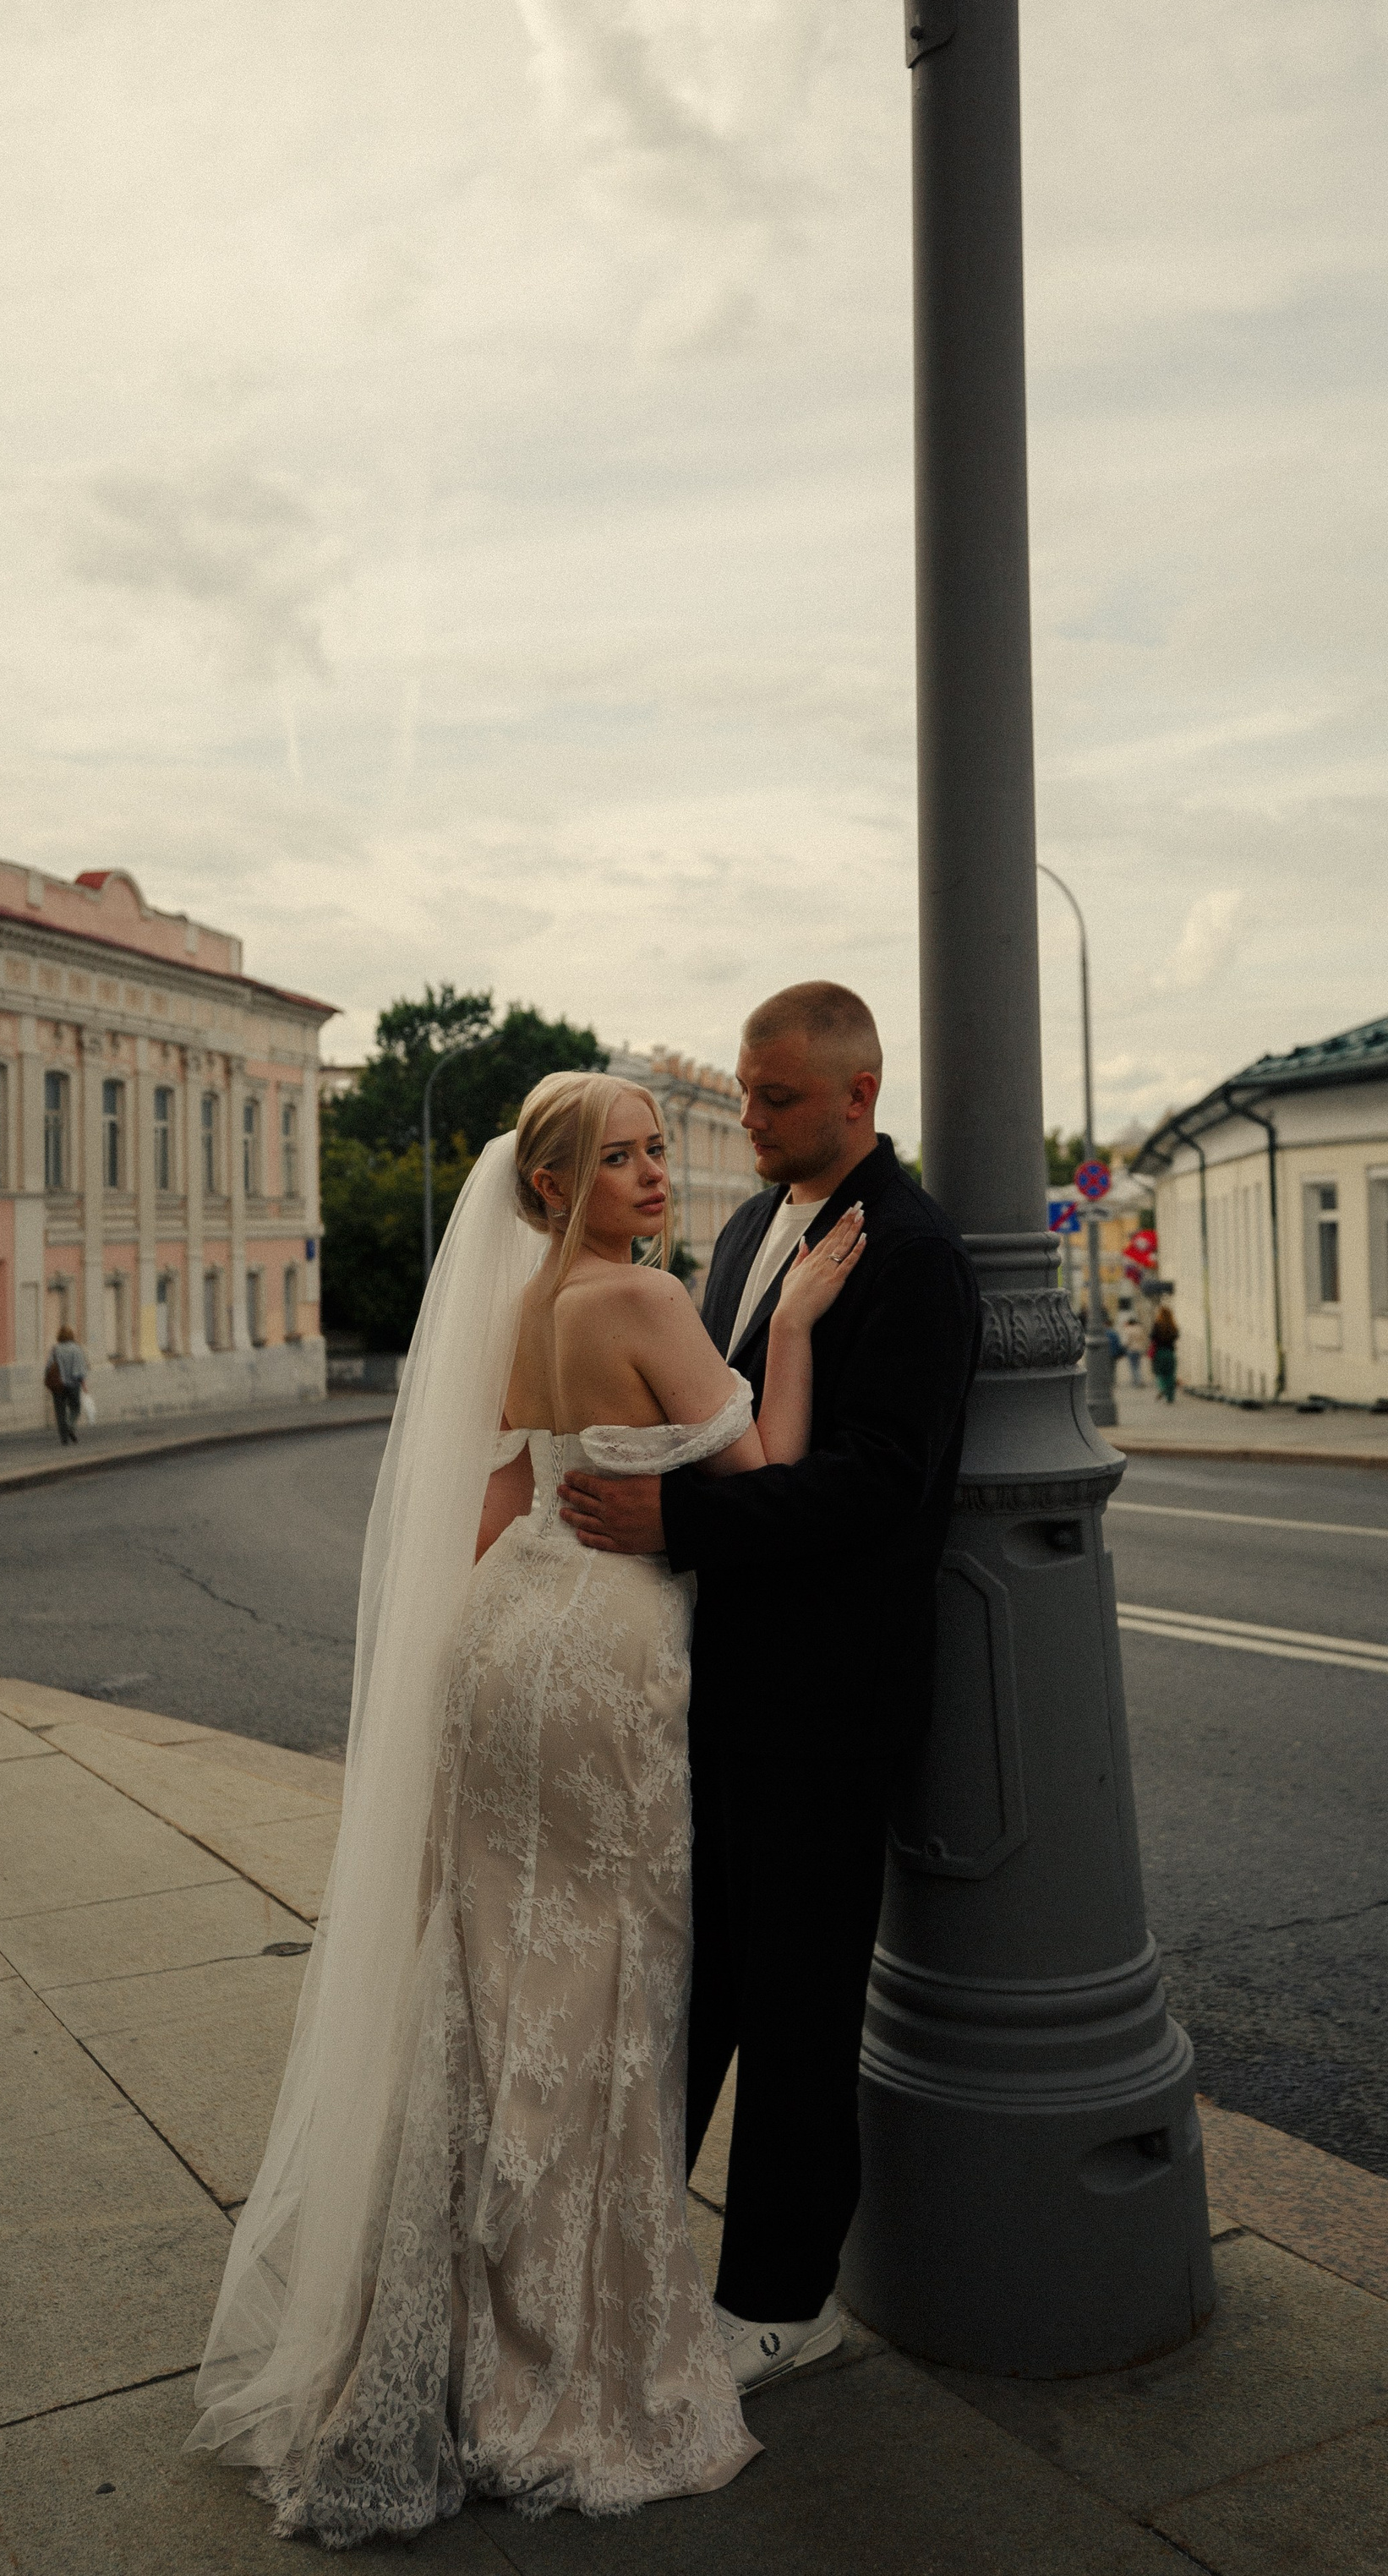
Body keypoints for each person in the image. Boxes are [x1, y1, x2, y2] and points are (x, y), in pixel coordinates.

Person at [189, 1070, 865, 2543]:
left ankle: (447, 2326)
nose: (652, 1176)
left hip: (497, 1650)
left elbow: (495, 1515)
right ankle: (563, 2352)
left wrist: (456, 1675)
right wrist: (796, 1328)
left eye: (652, 1152)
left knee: (492, 1982)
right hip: (606, 1660)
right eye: (620, 1161)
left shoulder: (511, 1313)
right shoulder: (641, 1305)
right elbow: (766, 1483)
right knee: (602, 1992)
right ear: (554, 1186)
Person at [560, 985, 981, 2397]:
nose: (745, 1121)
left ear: (859, 1098)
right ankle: (622, 2255)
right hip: (711, 1678)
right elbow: (727, 1426)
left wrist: (674, 1530)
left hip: (824, 1700)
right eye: (743, 1094)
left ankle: (784, 2304)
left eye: (776, 1100)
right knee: (697, 1987)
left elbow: (876, 1490)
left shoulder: (918, 1255)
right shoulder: (748, 1230)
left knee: (799, 2011)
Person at [44, 1323, 87, 1444]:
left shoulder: (55, 1349)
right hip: (73, 1384)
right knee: (75, 1407)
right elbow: (80, 1368)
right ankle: (71, 1425)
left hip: (58, 1385)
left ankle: (64, 1438)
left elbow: (48, 1367)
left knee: (60, 1411)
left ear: (59, 1336)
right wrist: (83, 1383)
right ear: (71, 1335)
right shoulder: (76, 1349)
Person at [1150, 1298, 1180, 1404]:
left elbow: (1152, 1337)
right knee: (1171, 1375)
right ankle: (1170, 1397)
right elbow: (1176, 1336)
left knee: (1160, 1374)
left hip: (1159, 1352)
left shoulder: (1157, 1326)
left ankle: (1162, 1388)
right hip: (1170, 1353)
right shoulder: (1173, 1326)